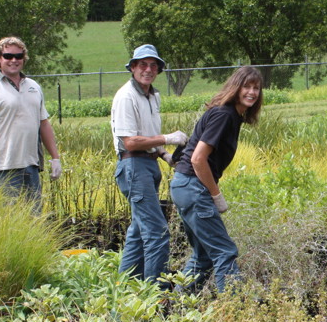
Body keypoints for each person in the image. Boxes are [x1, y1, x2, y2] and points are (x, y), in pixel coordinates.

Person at [170, 66, 263, 294]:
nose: (251, 92)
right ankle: (233, 312)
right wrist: (215, 195)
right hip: (193, 187)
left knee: (203, 256)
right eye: (246, 86)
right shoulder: (225, 115)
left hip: (184, 185)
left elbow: (186, 154)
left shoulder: (230, 115)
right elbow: (197, 159)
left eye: (256, 88)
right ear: (236, 87)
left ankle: (177, 307)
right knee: (224, 252)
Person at [111, 44, 189, 283]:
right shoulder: (127, 96)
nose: (148, 69)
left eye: (153, 65)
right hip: (133, 167)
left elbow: (146, 134)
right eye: (143, 64)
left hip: (148, 166)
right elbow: (130, 141)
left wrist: (165, 154)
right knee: (157, 232)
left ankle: (125, 288)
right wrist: (167, 137)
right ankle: (156, 294)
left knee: (137, 232)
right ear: (133, 67)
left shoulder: (152, 95)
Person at [0, 36, 61, 211]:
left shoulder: (34, 87)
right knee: (5, 221)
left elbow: (43, 124)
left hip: (31, 167)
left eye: (19, 56)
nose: (14, 60)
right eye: (8, 56)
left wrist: (55, 157)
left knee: (34, 219)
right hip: (1, 169)